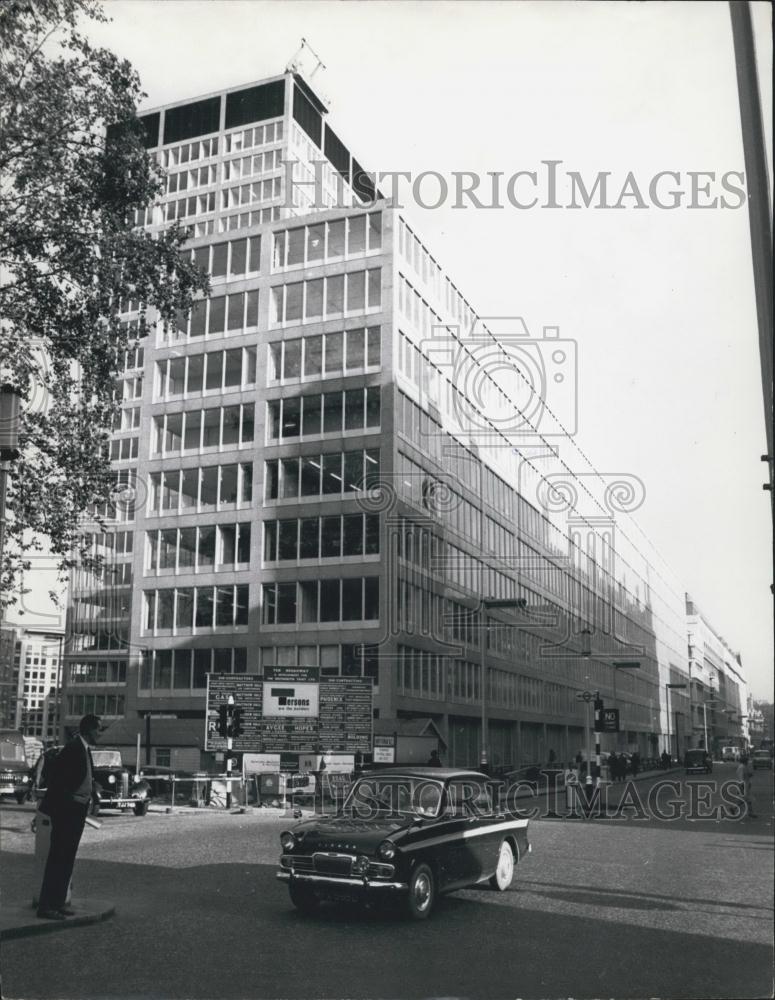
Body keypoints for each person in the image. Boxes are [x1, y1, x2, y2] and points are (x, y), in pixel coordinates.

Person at [37, 714, 101, 920]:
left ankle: (58, 902)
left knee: (67, 859)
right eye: (98, 729)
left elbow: (81, 776)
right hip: (68, 811)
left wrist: (92, 789)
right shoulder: (74, 749)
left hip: (77, 810)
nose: (100, 733)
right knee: (59, 858)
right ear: (89, 730)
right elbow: (61, 781)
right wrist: (68, 807)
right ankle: (46, 905)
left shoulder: (83, 749)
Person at [735, 754, 756, 818]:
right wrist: (742, 787)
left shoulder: (744, 767)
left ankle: (735, 809)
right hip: (743, 786)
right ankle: (750, 813)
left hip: (745, 785)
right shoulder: (742, 767)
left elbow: (746, 775)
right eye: (747, 761)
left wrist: (749, 775)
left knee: (745, 799)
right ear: (744, 761)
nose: (748, 762)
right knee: (747, 799)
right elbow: (741, 777)